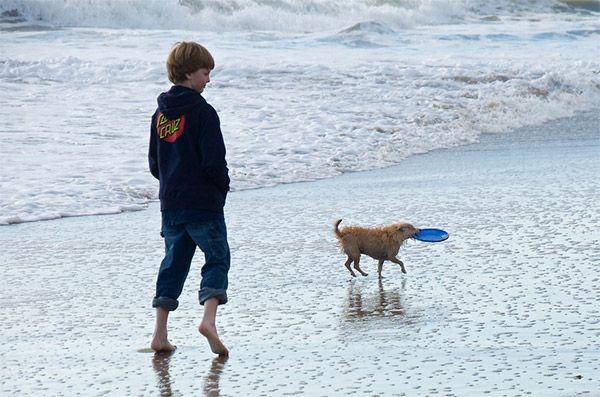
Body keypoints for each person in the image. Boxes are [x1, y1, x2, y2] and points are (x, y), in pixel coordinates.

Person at [148, 41, 230, 356]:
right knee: (217, 258)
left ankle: (159, 333)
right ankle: (208, 319)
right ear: (188, 73)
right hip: (203, 203)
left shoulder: (159, 114)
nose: (208, 80)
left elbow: (154, 164)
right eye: (205, 73)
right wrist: (221, 188)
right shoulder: (203, 112)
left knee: (173, 264)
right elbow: (214, 161)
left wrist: (172, 185)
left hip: (170, 204)